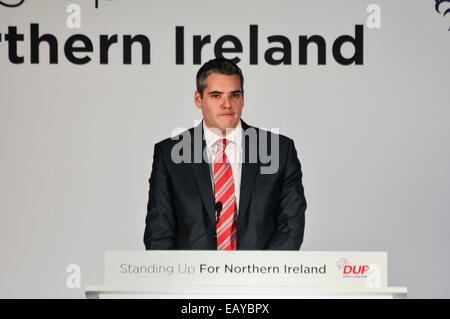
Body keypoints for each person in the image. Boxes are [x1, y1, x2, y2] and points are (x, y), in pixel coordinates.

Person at [144, 58, 307, 250]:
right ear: (199, 99)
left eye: (234, 95)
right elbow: (159, 233)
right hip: (189, 277)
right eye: (216, 95)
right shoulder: (169, 154)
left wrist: (261, 275)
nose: (227, 104)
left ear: (243, 98)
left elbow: (291, 227)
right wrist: (178, 278)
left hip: (260, 277)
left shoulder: (279, 150)